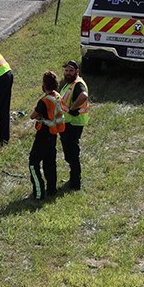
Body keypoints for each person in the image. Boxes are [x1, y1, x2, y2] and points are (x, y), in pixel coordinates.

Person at [28, 70, 66, 200]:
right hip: (53, 134)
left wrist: (38, 115)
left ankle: (39, 193)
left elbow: (33, 115)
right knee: (50, 163)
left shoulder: (44, 101)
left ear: (44, 85)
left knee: (33, 163)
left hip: (43, 135)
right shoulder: (57, 96)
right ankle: (52, 189)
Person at [58, 60, 90, 190]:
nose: (68, 73)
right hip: (68, 123)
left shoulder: (77, 84)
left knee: (72, 153)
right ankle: (73, 177)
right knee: (69, 153)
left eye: (71, 71)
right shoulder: (69, 84)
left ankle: (76, 183)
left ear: (77, 72)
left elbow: (84, 95)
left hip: (73, 123)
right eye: (66, 70)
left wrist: (72, 108)